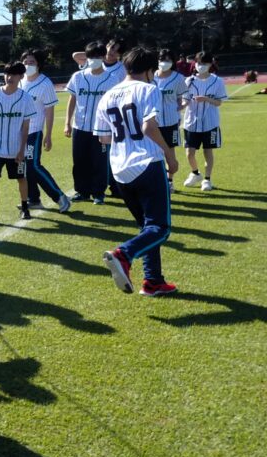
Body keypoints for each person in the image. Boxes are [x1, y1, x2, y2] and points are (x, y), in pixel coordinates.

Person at [95, 47, 179, 297]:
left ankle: (153, 281)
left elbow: (103, 139)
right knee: (160, 229)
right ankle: (123, 254)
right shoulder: (149, 89)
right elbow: (148, 126)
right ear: (149, 70)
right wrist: (169, 154)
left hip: (119, 168)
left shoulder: (107, 95)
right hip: (146, 163)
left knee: (147, 228)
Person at [0, 62, 37, 226]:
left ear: (20, 77)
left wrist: (22, 149)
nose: (10, 77)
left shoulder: (25, 98)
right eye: (7, 74)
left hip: (15, 148)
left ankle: (25, 207)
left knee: (21, 178)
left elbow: (26, 126)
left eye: (14, 74)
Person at [64, 42, 118, 204]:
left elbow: (115, 105)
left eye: (97, 57)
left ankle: (99, 193)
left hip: (102, 129)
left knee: (100, 161)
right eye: (90, 57)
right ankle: (82, 191)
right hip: (79, 127)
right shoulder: (78, 77)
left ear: (103, 57)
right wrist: (67, 122)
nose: (93, 60)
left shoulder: (112, 79)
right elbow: (72, 99)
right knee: (79, 161)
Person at [21, 51, 71, 213]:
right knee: (25, 167)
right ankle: (33, 199)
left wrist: (48, 135)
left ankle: (59, 197)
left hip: (34, 131)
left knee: (33, 165)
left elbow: (49, 111)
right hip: (18, 133)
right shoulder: (20, 82)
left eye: (32, 62)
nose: (28, 65)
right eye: (26, 62)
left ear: (39, 64)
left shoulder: (45, 83)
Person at [181, 51, 228, 191]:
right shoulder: (188, 81)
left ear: (210, 64)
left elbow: (219, 102)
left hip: (210, 123)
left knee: (208, 151)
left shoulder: (217, 81)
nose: (201, 66)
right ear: (195, 63)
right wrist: (181, 105)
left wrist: (206, 99)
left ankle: (207, 179)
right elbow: (185, 100)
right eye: (199, 63)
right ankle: (195, 173)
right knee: (189, 153)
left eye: (204, 63)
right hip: (191, 123)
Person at [154, 49, 186, 192]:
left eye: (167, 60)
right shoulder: (151, 76)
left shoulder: (178, 78)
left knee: (170, 152)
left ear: (172, 62)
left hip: (171, 122)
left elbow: (184, 96)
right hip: (152, 122)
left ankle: (170, 181)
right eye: (162, 59)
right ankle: (156, 180)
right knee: (154, 152)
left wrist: (181, 106)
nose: (164, 63)